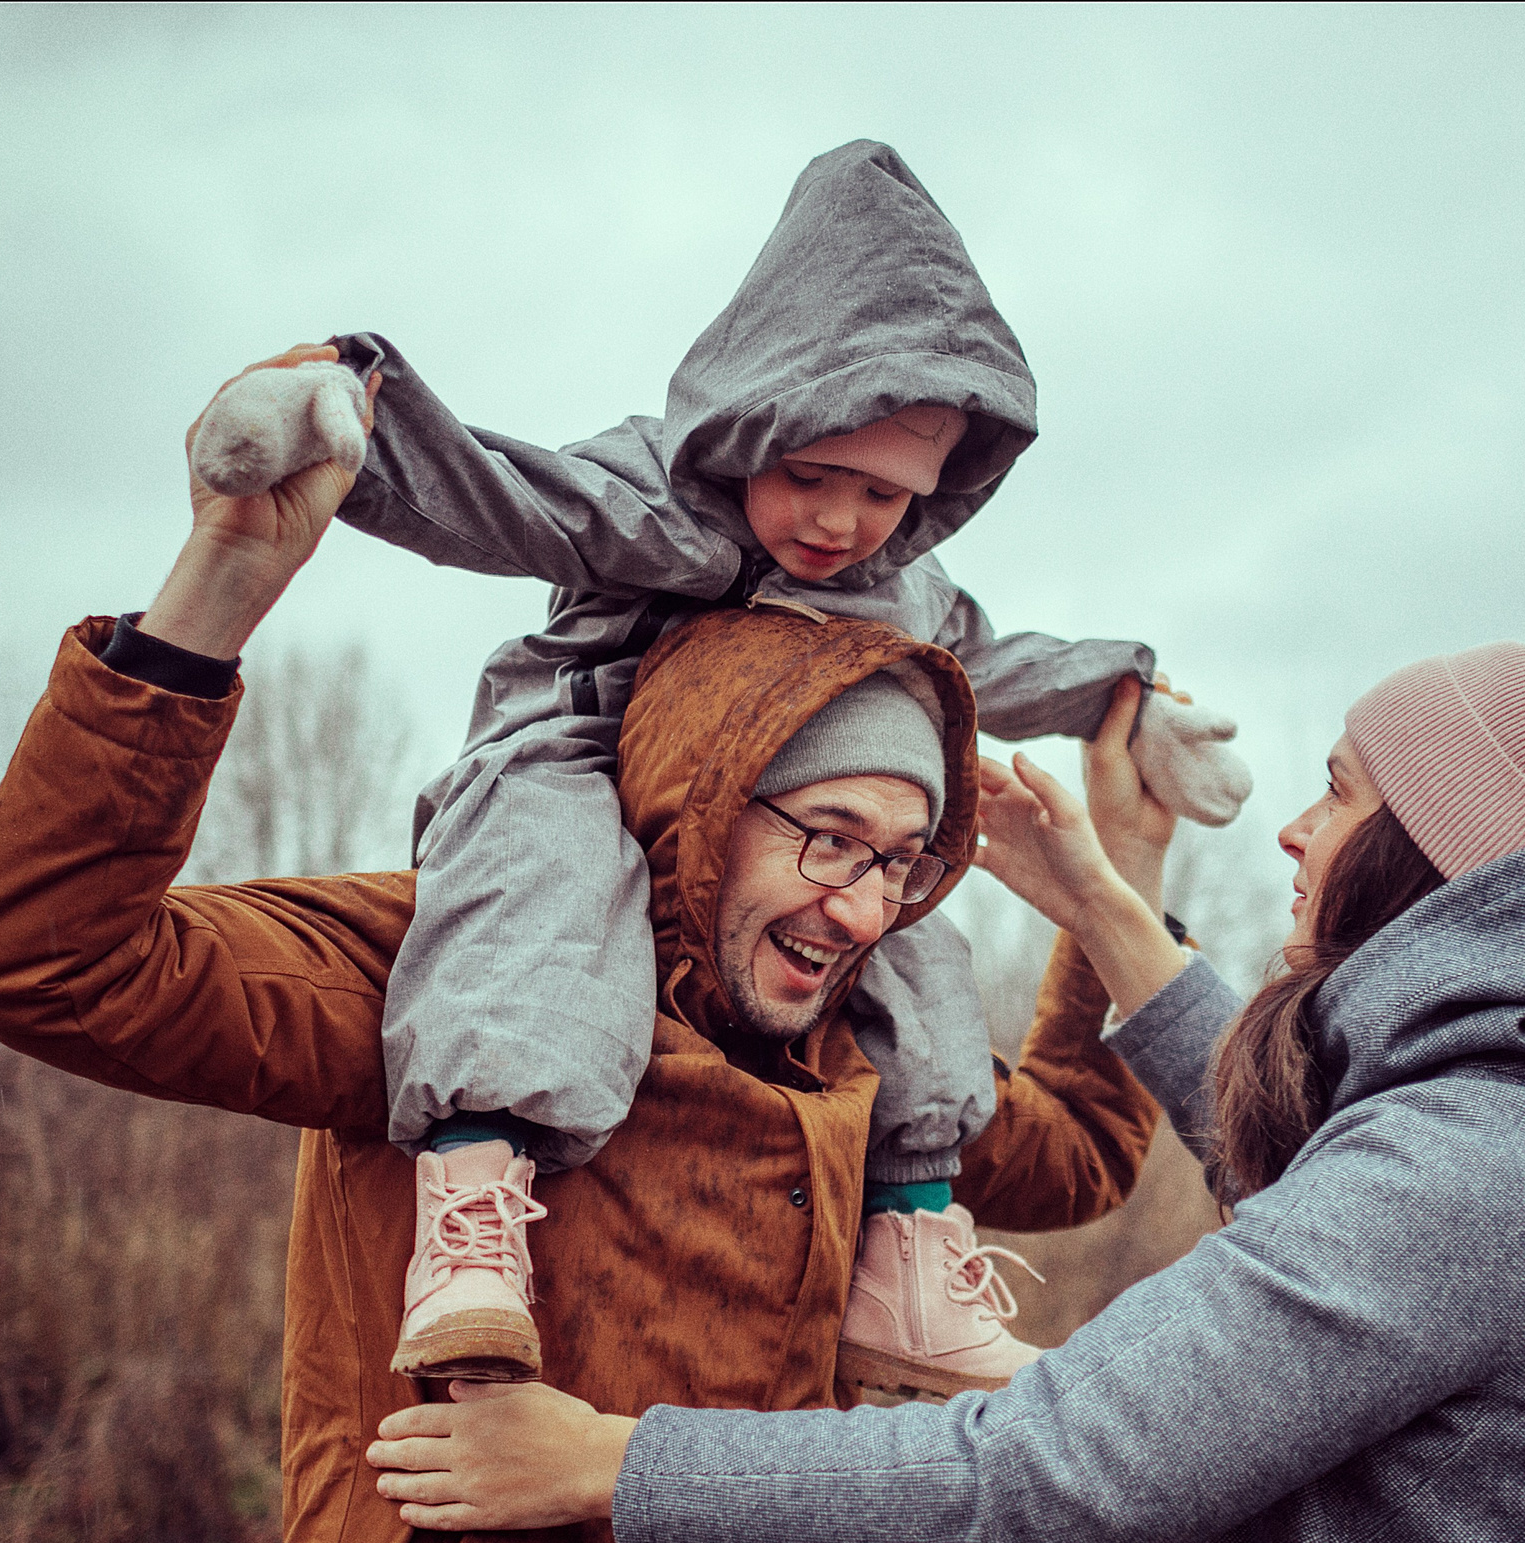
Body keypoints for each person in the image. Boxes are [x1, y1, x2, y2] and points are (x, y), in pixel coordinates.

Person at [0, 347, 1162, 1543]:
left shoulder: (856, 1041)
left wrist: (1127, 879)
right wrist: (215, 592)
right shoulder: (448, 968)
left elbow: (1076, 1156)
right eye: (825, 836)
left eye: (900, 859)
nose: (862, 905)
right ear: (703, 792)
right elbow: (38, 955)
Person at [366, 639, 1525, 1543]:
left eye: (1336, 795)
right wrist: (1096, 895)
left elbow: (1036, 1476)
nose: (1293, 824)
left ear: (1444, 860)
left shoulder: (1467, 1174)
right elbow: (1318, 1167)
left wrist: (605, 1460)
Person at [182, 138, 1248, 1392]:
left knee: (907, 924)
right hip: (579, 755)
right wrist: (345, 422)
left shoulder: (894, 583)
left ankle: (906, 1256)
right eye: (809, 477)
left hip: (788, 826)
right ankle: (474, 1205)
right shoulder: (657, 503)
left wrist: (1124, 687)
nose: (839, 525)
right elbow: (505, 495)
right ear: (752, 428)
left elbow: (985, 656)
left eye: (883, 496)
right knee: (542, 884)